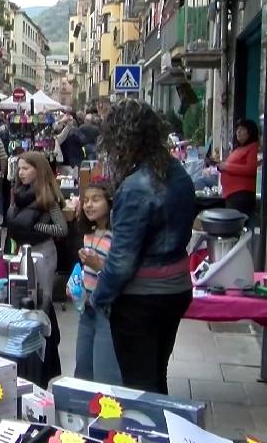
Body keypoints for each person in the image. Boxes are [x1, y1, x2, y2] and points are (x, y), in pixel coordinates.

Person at [91, 100, 196, 395]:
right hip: (175, 288)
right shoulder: (178, 174)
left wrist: (100, 298)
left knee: (139, 387)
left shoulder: (137, 186)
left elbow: (122, 261)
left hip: (142, 298)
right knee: (155, 377)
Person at [72, 179, 121, 385]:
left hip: (107, 311)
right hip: (87, 308)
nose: (88, 205)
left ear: (110, 202)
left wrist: (99, 265)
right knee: (83, 369)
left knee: (105, 374)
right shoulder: (88, 234)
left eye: (95, 200)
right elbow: (85, 270)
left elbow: (119, 273)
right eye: (85, 200)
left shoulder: (117, 235)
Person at [6, 152, 68, 309]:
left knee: (42, 300)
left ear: (38, 170)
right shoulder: (20, 194)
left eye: (26, 168)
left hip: (43, 253)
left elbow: (62, 228)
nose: (21, 173)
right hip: (22, 251)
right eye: (19, 168)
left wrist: (37, 227)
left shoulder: (48, 197)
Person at [216, 119, 260, 218]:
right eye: (237, 129)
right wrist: (221, 166)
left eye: (242, 129)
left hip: (241, 195)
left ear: (250, 131)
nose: (238, 132)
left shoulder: (253, 147)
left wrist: (226, 166)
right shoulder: (239, 149)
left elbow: (251, 169)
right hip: (231, 195)